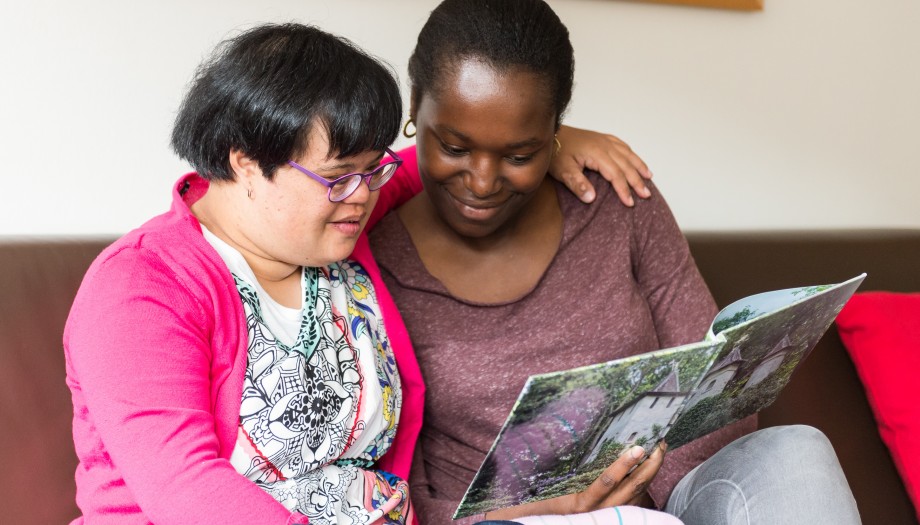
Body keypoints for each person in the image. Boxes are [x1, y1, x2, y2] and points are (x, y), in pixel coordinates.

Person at [63, 20, 660, 525]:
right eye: (341, 175)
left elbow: (435, 165)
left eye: (371, 171)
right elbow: (186, 488)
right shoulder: (141, 287)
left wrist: (546, 143)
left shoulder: (329, 232)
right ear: (244, 162)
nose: (364, 196)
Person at [366, 1, 863, 524]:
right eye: (454, 146)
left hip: (663, 511)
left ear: (557, 131)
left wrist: (649, 499)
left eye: (519, 155)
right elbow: (401, 493)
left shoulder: (617, 203)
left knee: (797, 452)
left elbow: (713, 389)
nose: (484, 181)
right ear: (416, 105)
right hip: (496, 523)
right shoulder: (370, 262)